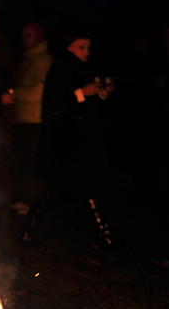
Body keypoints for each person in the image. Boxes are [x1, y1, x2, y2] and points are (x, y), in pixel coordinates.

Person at [17, 30, 113, 246]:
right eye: (82, 47)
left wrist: (101, 92)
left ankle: (103, 234)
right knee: (57, 187)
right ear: (69, 46)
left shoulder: (81, 68)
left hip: (78, 140)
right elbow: (54, 101)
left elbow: (88, 105)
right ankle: (103, 235)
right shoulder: (61, 67)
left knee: (82, 186)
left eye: (88, 48)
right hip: (64, 141)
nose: (86, 52)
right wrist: (82, 93)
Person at [4, 23, 53, 214]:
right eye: (23, 35)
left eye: (29, 35)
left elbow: (39, 92)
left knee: (33, 163)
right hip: (22, 119)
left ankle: (31, 202)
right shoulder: (28, 59)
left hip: (34, 120)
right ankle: (24, 199)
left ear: (38, 38)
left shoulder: (42, 61)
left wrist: (16, 94)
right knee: (23, 162)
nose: (24, 39)